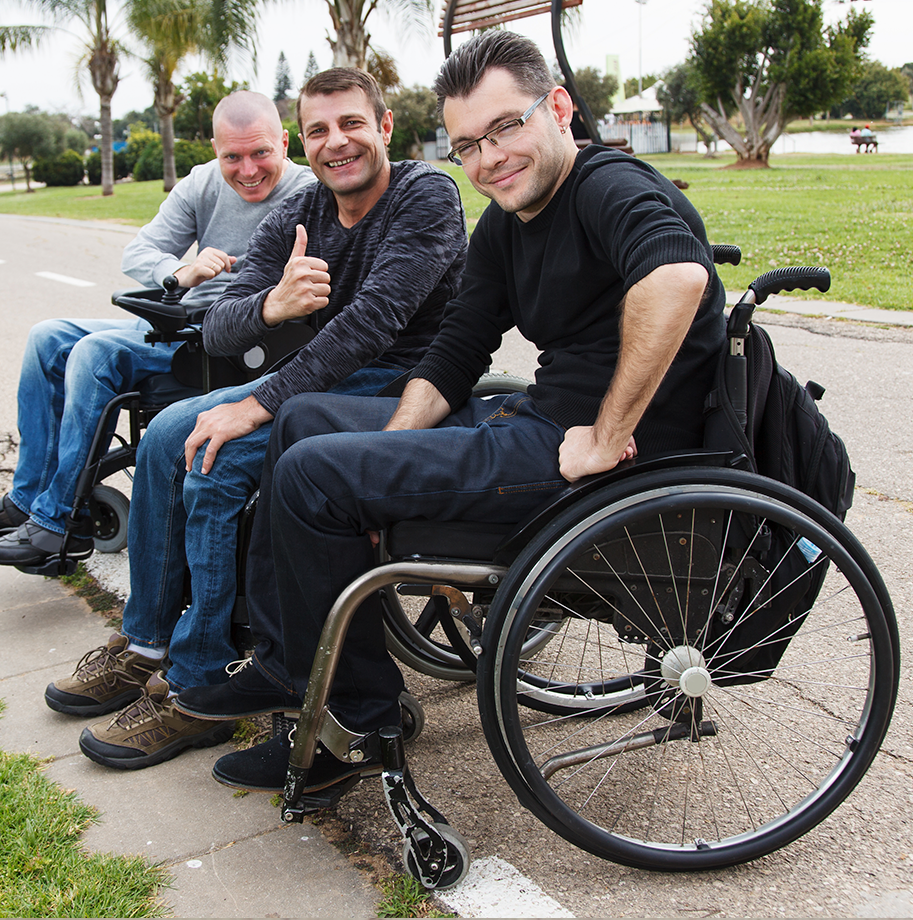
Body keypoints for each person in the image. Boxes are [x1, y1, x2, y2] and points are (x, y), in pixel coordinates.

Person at [175, 30, 728, 794]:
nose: (490, 157)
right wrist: (390, 459)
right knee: (303, 425)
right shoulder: (508, 222)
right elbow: (456, 352)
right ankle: (288, 663)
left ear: (558, 108)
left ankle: (361, 724)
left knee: (310, 477)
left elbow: (676, 277)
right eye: (469, 144)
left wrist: (609, 435)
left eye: (506, 128)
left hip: (595, 458)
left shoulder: (609, 186)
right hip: (536, 425)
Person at [44, 67, 469, 771]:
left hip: (401, 388)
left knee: (211, 459)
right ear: (305, 141)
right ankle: (146, 642)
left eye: (352, 124)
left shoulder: (425, 194)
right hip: (318, 383)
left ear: (385, 127)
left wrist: (257, 402)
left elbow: (373, 324)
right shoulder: (305, 208)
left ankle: (197, 680)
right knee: (169, 435)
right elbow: (217, 326)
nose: (337, 143)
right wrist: (274, 305)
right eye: (319, 130)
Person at [0, 91, 316, 566]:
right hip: (184, 319)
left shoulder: (307, 191)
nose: (247, 170)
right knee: (48, 336)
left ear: (284, 142)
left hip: (237, 341)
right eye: (232, 157)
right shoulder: (202, 183)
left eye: (260, 153)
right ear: (214, 149)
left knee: (95, 354)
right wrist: (182, 273)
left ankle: (60, 521)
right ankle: (27, 497)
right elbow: (137, 253)